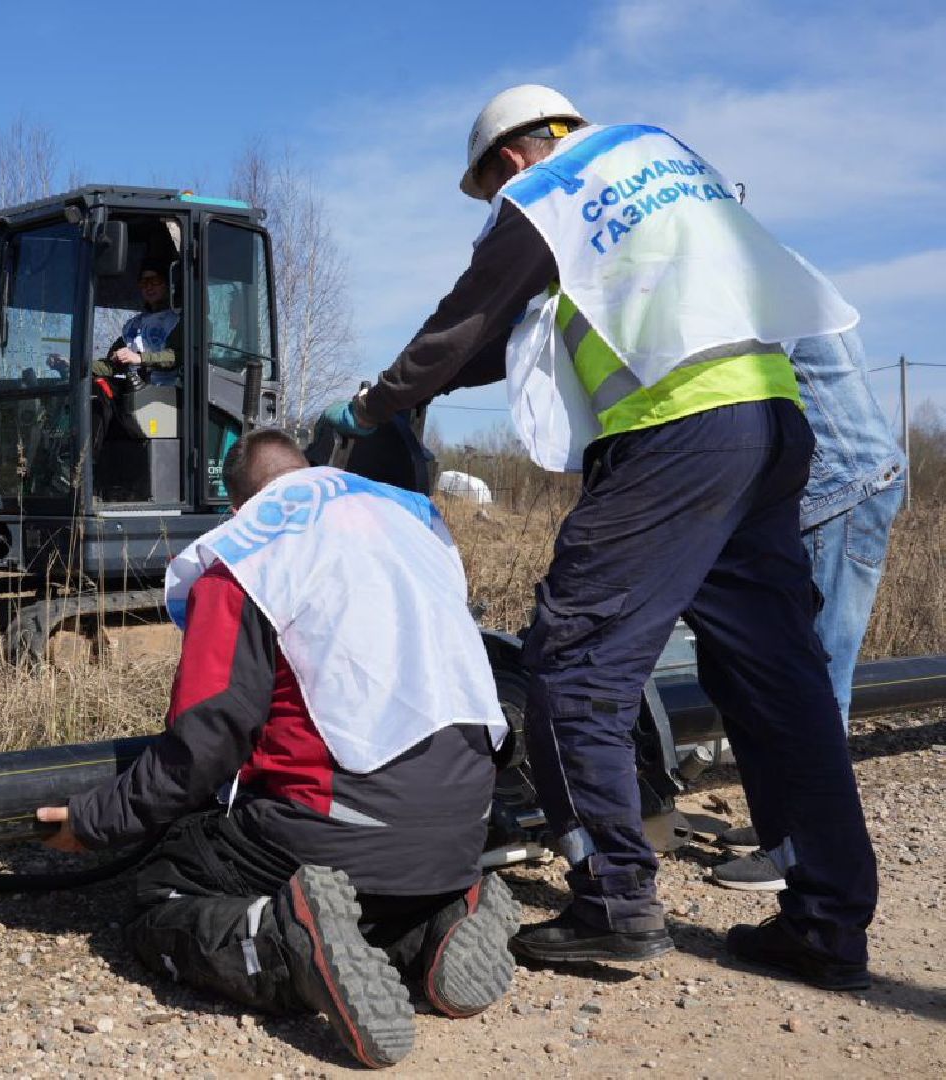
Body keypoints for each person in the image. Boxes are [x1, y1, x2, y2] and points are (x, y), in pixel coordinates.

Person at [322, 85, 878, 991]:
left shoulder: (549, 190)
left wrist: (371, 402)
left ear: (506, 159)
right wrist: (424, 387)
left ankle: (614, 903)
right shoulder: (661, 162)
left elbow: (469, 317)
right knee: (776, 672)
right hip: (770, 423)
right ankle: (826, 920)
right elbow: (498, 343)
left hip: (674, 430)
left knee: (577, 662)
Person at [35, 428, 517, 1068]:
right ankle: (435, 928)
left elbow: (205, 743)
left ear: (239, 504)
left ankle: (290, 950)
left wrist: (93, 823)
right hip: (465, 826)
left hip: (344, 822)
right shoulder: (409, 528)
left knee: (162, 897)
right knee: (358, 891)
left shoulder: (246, 554)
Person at [711, 329, 905, 890]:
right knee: (819, 673)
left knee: (810, 681)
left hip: (834, 496)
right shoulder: (798, 285)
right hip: (859, 484)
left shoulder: (763, 294)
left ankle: (798, 850)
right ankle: (790, 830)